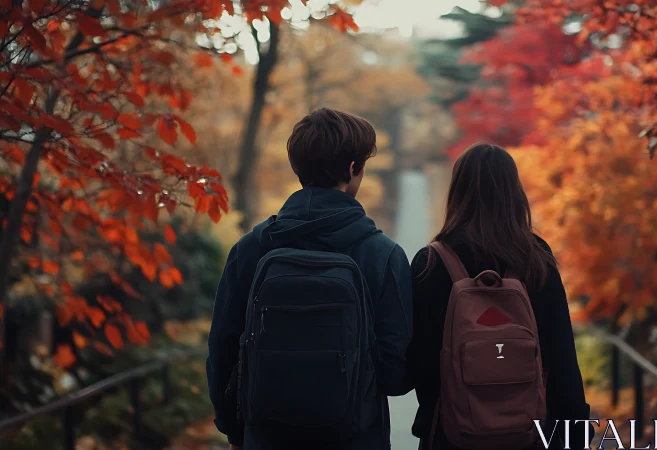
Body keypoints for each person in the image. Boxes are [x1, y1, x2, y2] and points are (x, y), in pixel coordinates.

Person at [207, 108, 414, 450]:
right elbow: (396, 375)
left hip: (266, 438)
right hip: (356, 439)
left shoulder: (249, 250)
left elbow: (222, 352)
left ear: (297, 166)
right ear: (352, 169)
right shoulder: (384, 256)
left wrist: (234, 431)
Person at [406, 144, 593, 450]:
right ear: (513, 192)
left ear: (457, 193)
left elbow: (419, 366)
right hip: (532, 433)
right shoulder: (536, 259)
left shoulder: (431, 263)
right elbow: (561, 357)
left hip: (452, 433)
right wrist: (577, 433)